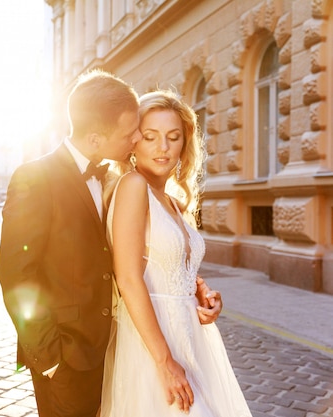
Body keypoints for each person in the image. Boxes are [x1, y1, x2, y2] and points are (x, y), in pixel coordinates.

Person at [0, 70, 223, 417]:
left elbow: (139, 257)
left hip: (115, 348)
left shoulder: (114, 180)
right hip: (68, 359)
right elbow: (16, 274)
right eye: (134, 132)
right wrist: (50, 359)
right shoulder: (36, 178)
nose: (137, 139)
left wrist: (194, 287)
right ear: (95, 136)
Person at [100, 89, 251, 417]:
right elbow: (127, 277)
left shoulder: (173, 201)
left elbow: (167, 264)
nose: (163, 147)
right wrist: (164, 361)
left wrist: (202, 293)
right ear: (134, 141)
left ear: (185, 144)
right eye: (151, 136)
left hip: (188, 338)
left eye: (173, 137)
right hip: (152, 344)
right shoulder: (133, 186)